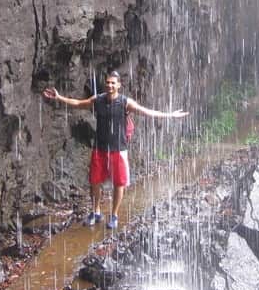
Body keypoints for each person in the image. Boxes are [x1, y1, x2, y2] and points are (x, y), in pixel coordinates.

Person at [42, 71, 188, 230]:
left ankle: (114, 215)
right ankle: (96, 212)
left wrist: (170, 115)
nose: (110, 85)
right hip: (100, 148)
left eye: (113, 83)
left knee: (119, 183)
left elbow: (147, 112)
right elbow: (78, 104)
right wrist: (59, 97)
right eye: (108, 82)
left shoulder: (125, 102)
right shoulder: (98, 100)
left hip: (118, 149)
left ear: (119, 85)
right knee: (94, 182)